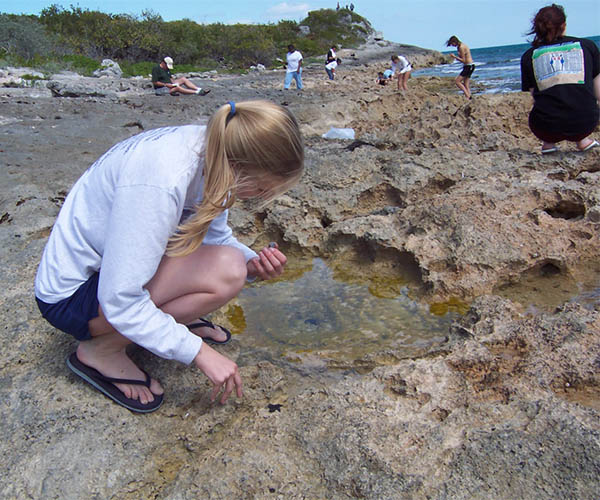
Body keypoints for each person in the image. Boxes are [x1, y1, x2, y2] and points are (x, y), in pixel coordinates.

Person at [34, 100, 304, 413]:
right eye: (259, 189)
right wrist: (198, 352)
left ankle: (167, 322)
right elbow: (120, 299)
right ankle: (101, 352)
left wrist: (252, 262)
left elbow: (215, 238)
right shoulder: (162, 179)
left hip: (109, 274)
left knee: (234, 265)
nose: (256, 197)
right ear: (241, 166)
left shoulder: (216, 151)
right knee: (228, 270)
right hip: (72, 297)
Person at [520, 4, 599, 154]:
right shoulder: (587, 46)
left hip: (545, 127)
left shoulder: (529, 56)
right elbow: (598, 90)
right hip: (585, 122)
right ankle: (583, 140)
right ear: (563, 25)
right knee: (581, 106)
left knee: (546, 107)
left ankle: (548, 144)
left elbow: (534, 95)